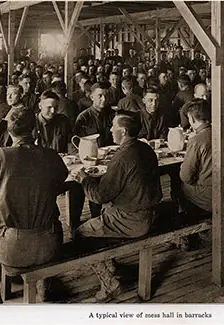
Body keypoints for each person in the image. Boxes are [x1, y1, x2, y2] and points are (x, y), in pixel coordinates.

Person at [0, 108, 68, 303]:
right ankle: (43, 287)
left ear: (9, 131)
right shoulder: (50, 155)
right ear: (35, 130)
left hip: (14, 247)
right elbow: (60, 179)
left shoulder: (0, 157)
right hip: (51, 244)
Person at [73, 113, 162, 302]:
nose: (111, 130)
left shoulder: (122, 157)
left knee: (80, 233)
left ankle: (109, 283)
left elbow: (99, 196)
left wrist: (84, 179)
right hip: (149, 213)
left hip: (131, 220)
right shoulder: (145, 148)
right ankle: (111, 265)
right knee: (104, 215)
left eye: (114, 127)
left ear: (123, 131)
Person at [179, 99, 215, 215]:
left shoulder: (196, 140)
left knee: (181, 186)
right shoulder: (221, 133)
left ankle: (190, 220)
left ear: (192, 119)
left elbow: (186, 176)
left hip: (209, 195)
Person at [74, 83, 115, 147]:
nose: (104, 99)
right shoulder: (84, 117)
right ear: (92, 97)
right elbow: (77, 142)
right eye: (100, 96)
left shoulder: (113, 115)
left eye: (106, 96)